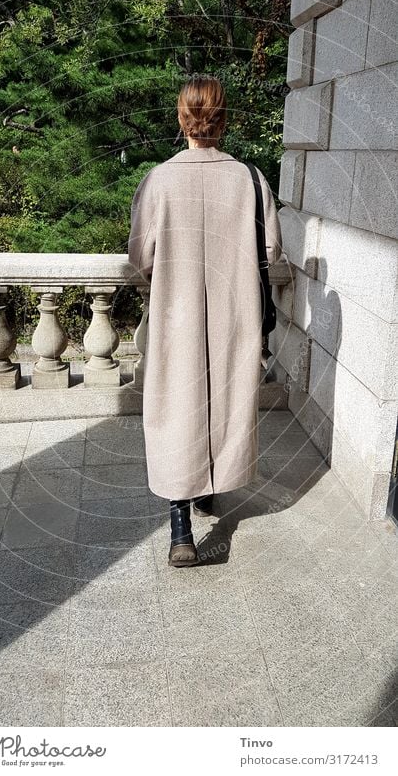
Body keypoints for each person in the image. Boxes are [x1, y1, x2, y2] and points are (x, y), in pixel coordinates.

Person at [128, 74, 282, 568]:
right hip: (234, 314)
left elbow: (141, 257)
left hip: (177, 316)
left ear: (182, 119)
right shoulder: (251, 180)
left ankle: (181, 531)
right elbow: (272, 250)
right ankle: (209, 491)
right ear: (224, 120)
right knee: (223, 401)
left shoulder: (158, 180)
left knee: (178, 409)